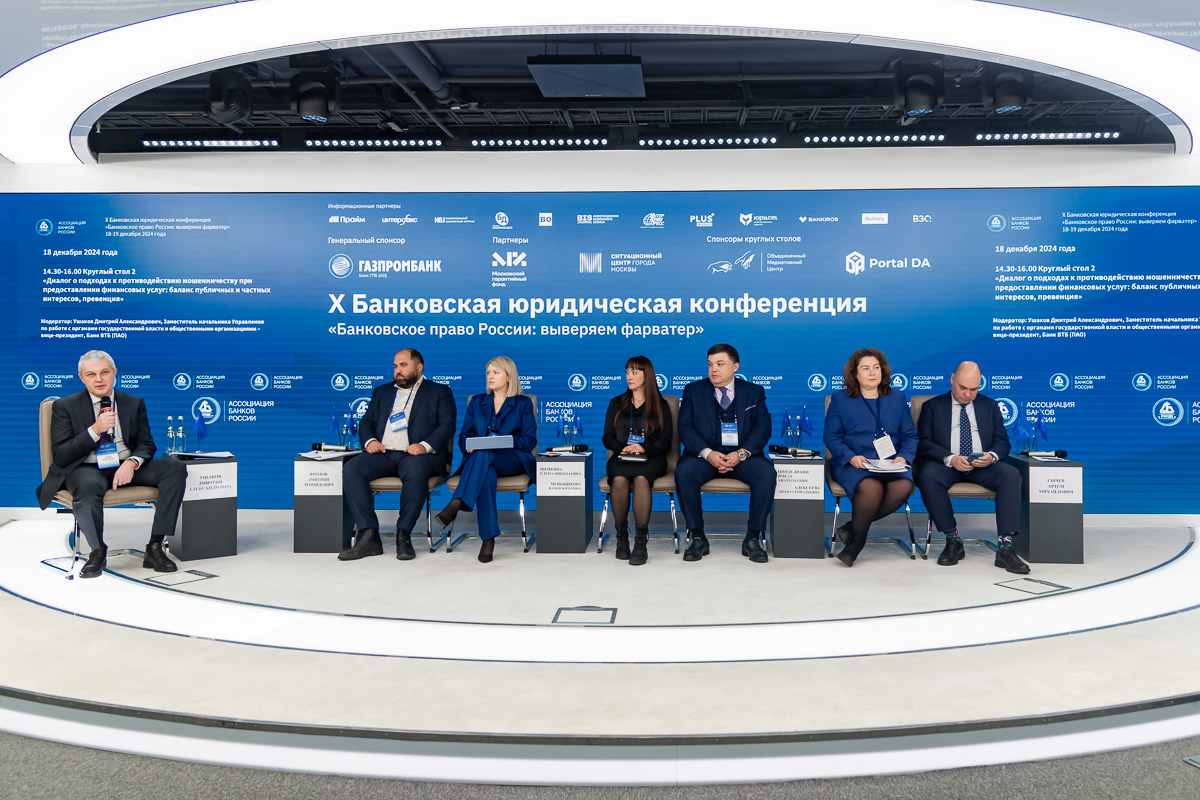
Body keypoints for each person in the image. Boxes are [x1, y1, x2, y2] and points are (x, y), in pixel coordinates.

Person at [35, 350, 185, 578]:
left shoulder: (134, 403)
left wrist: (132, 463)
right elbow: (61, 455)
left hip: (124, 465)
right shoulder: (65, 406)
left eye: (104, 372)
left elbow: (146, 443)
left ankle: (155, 547)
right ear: (82, 378)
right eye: (91, 374)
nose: (99, 379)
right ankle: (97, 551)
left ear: (114, 373)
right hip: (85, 467)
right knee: (87, 486)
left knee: (175, 469)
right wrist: (95, 430)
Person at [339, 348, 457, 561]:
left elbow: (447, 425)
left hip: (419, 456)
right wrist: (370, 441)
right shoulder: (381, 391)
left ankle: (404, 536)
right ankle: (369, 536)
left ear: (419, 368)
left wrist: (424, 446)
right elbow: (367, 422)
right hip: (383, 454)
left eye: (403, 365)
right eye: (395, 366)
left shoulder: (439, 391)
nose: (398, 370)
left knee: (415, 469)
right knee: (352, 468)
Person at [915, 361, 1030, 574]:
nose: (968, 394)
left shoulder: (990, 406)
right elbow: (924, 442)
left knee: (1011, 475)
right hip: (948, 465)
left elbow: (1002, 442)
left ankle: (1005, 547)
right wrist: (950, 458)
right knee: (927, 476)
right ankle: (953, 540)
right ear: (952, 379)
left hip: (982, 466)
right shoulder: (932, 407)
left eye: (974, 389)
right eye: (963, 388)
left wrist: (991, 456)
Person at [675, 343, 775, 563]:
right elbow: (685, 428)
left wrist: (741, 454)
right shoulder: (693, 390)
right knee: (684, 472)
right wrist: (708, 453)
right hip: (705, 457)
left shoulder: (754, 392)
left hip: (743, 457)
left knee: (766, 474)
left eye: (720, 364)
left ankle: (752, 538)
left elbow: (763, 428)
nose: (714, 369)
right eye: (710, 364)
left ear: (735, 367)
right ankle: (698, 537)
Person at [435, 356, 536, 563]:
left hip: (512, 460)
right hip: (482, 461)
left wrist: (503, 441)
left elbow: (529, 441)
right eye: (488, 372)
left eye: (496, 372)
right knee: (485, 469)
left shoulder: (523, 403)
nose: (490, 376)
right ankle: (488, 539)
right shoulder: (477, 401)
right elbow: (463, 437)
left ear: (509, 376)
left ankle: (456, 502)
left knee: (485, 452)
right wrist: (470, 446)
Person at [824, 347, 918, 566]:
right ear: (855, 373)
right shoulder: (840, 399)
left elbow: (910, 435)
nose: (872, 372)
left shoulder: (897, 397)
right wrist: (851, 457)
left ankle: (852, 528)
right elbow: (831, 437)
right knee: (871, 487)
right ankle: (856, 544)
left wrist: (904, 457)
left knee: (905, 486)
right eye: (865, 368)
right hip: (853, 464)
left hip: (890, 464)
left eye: (876, 367)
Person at [601, 355, 673, 566]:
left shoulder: (661, 405)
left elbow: (666, 440)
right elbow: (607, 437)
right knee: (619, 479)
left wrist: (643, 447)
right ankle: (622, 536)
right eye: (627, 372)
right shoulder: (616, 403)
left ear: (646, 375)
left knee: (641, 479)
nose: (629, 376)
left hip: (651, 457)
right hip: (622, 456)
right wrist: (623, 447)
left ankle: (641, 540)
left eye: (634, 372)